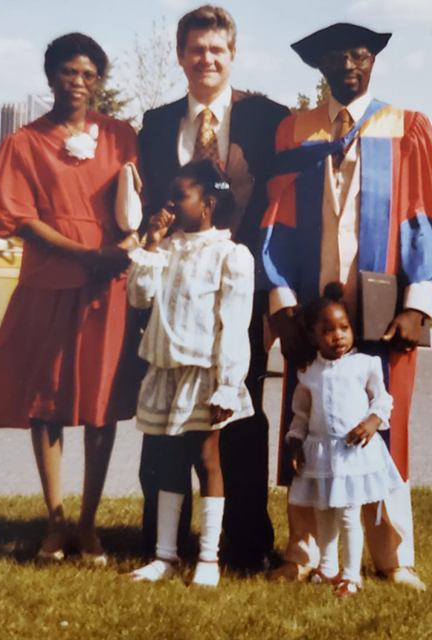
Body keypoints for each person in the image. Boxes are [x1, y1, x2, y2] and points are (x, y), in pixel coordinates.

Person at [262, 22, 432, 590]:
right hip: (312, 317)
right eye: (337, 56)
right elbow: (276, 221)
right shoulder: (294, 131)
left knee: (386, 432)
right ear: (318, 65)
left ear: (373, 62)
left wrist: (418, 301)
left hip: (385, 310)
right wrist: (283, 307)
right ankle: (303, 553)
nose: (349, 64)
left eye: (360, 54)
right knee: (308, 424)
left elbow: (427, 217)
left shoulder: (407, 128)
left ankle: (394, 557)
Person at [0, 33, 141, 564]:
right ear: (50, 77)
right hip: (49, 282)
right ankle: (55, 520)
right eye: (69, 72)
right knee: (46, 403)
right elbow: (17, 218)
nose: (79, 83)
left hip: (105, 287)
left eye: (89, 75)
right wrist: (87, 256)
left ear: (99, 82)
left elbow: (137, 203)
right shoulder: (24, 142)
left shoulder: (119, 136)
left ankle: (88, 526)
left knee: (99, 405)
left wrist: (125, 248)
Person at [135, 5, 290, 574]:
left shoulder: (268, 119)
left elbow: (283, 207)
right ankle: (161, 543)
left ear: (232, 55)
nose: (207, 59)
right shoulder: (155, 124)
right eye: (196, 49)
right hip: (174, 299)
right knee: (166, 425)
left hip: (240, 292)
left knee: (239, 419)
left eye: (217, 50)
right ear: (180, 55)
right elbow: (149, 205)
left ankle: (246, 544)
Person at [126, 160, 254, 587]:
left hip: (205, 376)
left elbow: (235, 324)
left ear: (208, 204)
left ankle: (208, 559)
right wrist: (149, 243)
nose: (171, 203)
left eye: (181, 196)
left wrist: (229, 386)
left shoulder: (229, 254)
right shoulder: (164, 249)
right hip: (166, 372)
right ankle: (165, 555)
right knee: (166, 464)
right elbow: (140, 299)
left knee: (207, 460)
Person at [285, 283, 405, 598]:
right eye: (328, 330)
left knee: (349, 514)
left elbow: (383, 400)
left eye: (344, 327)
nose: (338, 335)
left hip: (353, 455)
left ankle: (352, 576)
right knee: (325, 511)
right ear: (312, 337)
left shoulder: (365, 364)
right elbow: (300, 414)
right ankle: (327, 568)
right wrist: (296, 444)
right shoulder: (309, 373)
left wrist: (370, 423)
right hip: (321, 454)